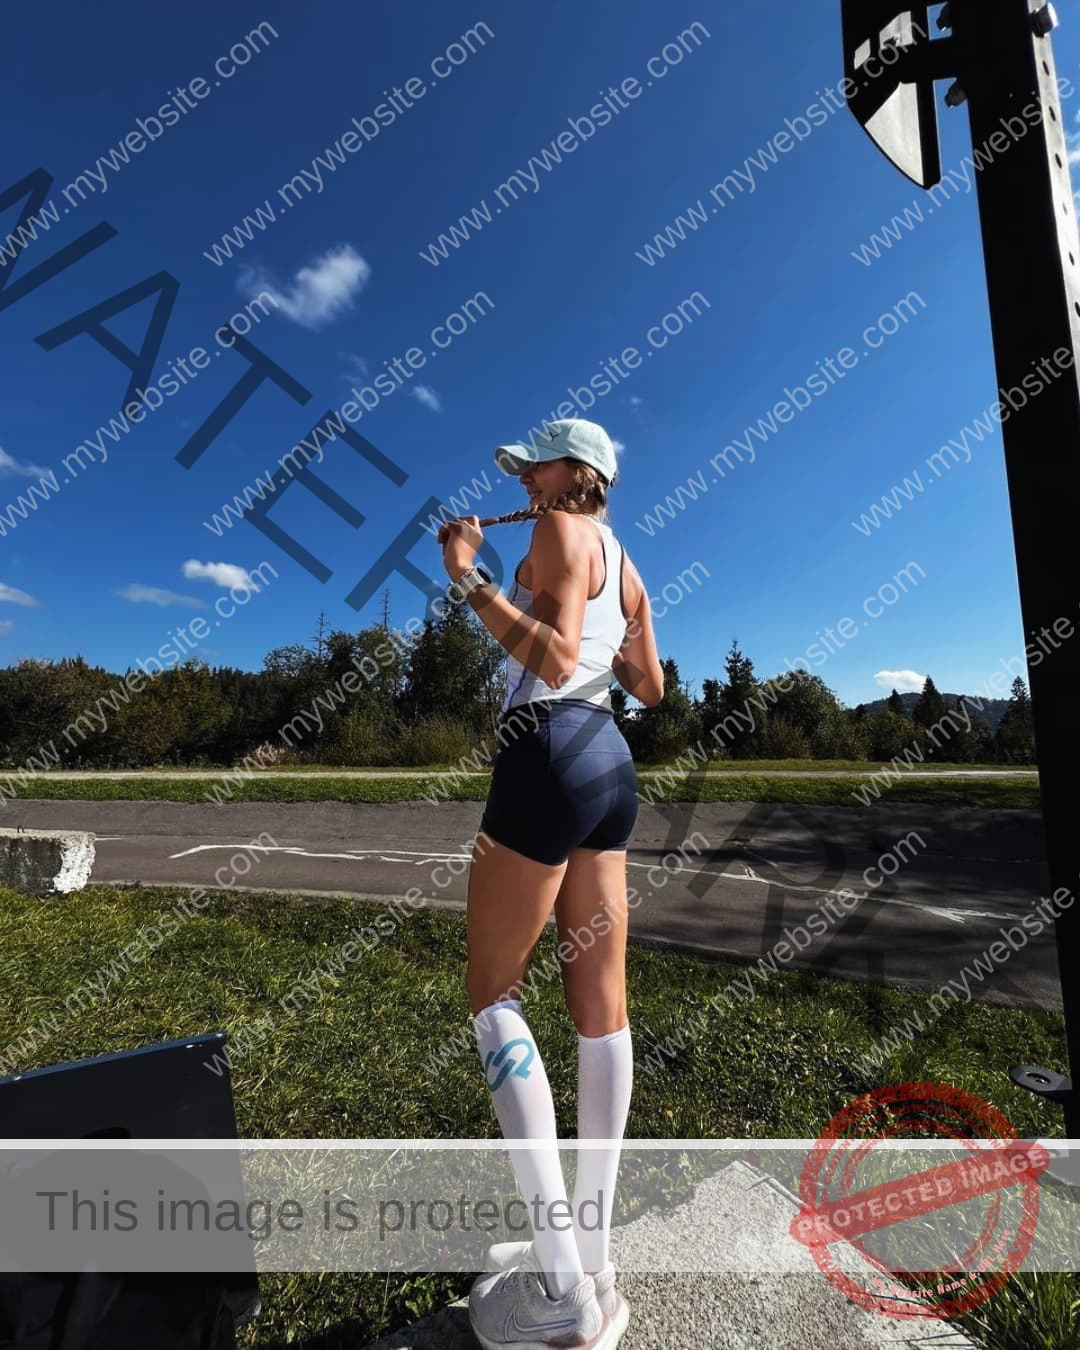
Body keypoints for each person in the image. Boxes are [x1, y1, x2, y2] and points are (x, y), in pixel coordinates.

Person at [436, 419, 663, 1349]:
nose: (526, 480)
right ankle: (588, 1254)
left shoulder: (557, 526)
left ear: (578, 474)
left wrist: (469, 578)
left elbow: (557, 660)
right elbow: (646, 684)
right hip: (610, 760)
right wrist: (518, 579)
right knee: (600, 1010)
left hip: (548, 751)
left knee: (493, 993)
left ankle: (562, 1288)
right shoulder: (626, 561)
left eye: (536, 466)